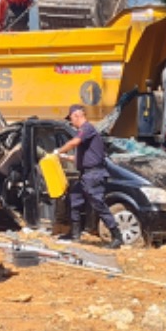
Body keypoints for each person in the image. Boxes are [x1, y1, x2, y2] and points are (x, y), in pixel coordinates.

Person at [54, 105, 124, 247]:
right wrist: (64, 157)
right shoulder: (85, 133)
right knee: (74, 199)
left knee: (98, 204)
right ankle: (74, 234)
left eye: (71, 119)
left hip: (94, 175)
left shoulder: (87, 129)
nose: (71, 122)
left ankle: (117, 237)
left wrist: (58, 151)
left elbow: (74, 142)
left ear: (77, 115)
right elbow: (83, 158)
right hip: (86, 174)